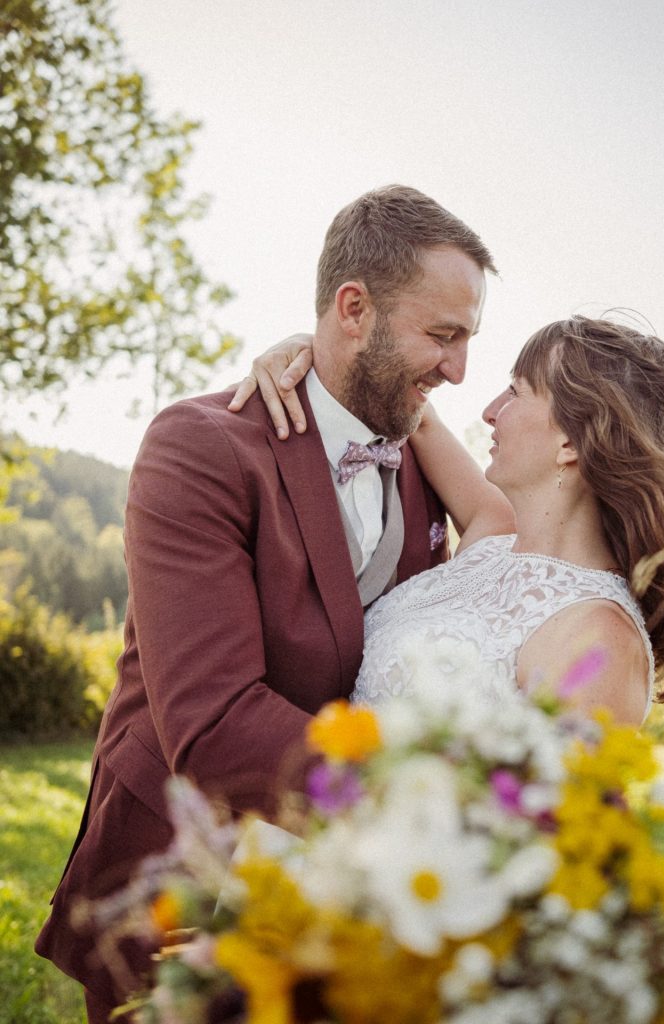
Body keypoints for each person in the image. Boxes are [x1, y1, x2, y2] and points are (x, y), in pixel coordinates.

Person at [35, 185, 501, 1024]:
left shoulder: (425, 465)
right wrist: (423, 809)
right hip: (178, 877)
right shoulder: (201, 448)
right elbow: (210, 723)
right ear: (351, 308)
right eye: (443, 336)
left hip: (329, 894)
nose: (459, 371)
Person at [238, 315, 664, 721]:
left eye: (517, 391)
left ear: (572, 442)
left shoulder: (599, 639)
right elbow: (417, 418)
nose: (489, 409)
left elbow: (546, 842)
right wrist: (311, 348)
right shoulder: (492, 537)